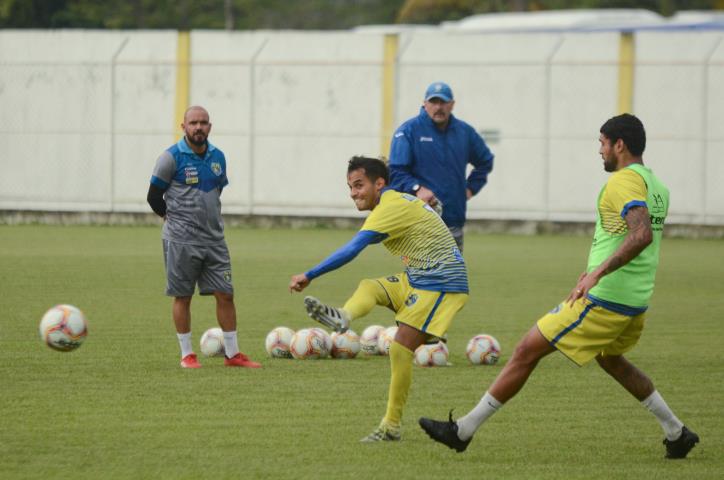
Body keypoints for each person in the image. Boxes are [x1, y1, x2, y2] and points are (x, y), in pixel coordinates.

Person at [419, 114, 700, 459]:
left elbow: (640, 235)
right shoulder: (658, 186)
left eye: (602, 143)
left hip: (606, 299)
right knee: (612, 361)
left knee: (526, 350)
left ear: (619, 145)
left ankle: (462, 431)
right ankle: (676, 431)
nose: (599, 150)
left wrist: (595, 274)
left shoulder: (623, 182)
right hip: (636, 299)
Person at [289, 156, 468, 442]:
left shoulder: (389, 206)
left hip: (442, 282)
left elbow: (353, 248)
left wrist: (310, 274)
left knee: (400, 349)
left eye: (359, 185)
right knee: (370, 286)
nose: (354, 193)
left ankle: (391, 427)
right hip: (418, 278)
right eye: (350, 187)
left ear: (379, 184)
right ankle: (343, 317)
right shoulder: (397, 199)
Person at [147, 105, 261, 369]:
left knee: (226, 294)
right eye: (193, 123)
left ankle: (233, 355)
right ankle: (187, 355)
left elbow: (215, 193)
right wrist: (172, 218)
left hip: (214, 240)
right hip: (181, 241)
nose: (198, 127)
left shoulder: (218, 156)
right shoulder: (170, 158)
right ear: (183, 126)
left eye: (203, 123)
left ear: (210, 126)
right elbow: (153, 197)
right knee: (183, 296)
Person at [388, 81, 494, 251]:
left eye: (443, 102)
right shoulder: (408, 131)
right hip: (419, 221)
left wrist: (470, 188)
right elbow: (396, 172)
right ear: (424, 103)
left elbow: (485, 161)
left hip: (453, 220)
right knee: (423, 275)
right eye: (433, 102)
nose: (438, 107)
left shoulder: (464, 132)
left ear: (452, 105)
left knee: (452, 275)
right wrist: (417, 188)